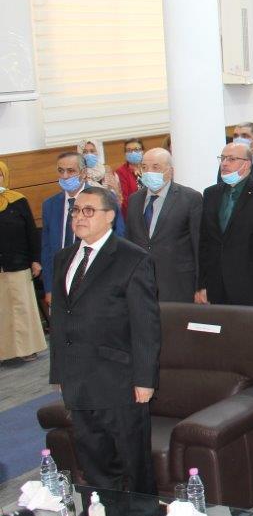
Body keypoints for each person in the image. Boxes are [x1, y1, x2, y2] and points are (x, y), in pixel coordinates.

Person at [49, 186, 160, 494]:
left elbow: (146, 325)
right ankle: (106, 514)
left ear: (110, 216)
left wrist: (145, 380)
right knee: (93, 458)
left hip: (118, 378)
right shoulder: (64, 258)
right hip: (78, 378)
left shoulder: (132, 258)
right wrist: (59, 372)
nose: (79, 217)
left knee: (132, 460)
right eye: (76, 211)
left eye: (89, 211)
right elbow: (59, 318)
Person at [198, 143, 253, 307]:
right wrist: (201, 285)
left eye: (231, 159)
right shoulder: (210, 194)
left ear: (247, 164)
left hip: (252, 287)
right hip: (216, 287)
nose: (224, 163)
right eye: (222, 158)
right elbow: (204, 243)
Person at [42, 152, 124, 301]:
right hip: (62, 281)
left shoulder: (104, 199)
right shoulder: (50, 205)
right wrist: (49, 287)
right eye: (61, 171)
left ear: (84, 172)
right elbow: (47, 249)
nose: (65, 176)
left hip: (98, 278)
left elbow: (119, 238)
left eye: (71, 171)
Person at [125, 148, 202, 303]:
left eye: (156, 167)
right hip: (142, 285)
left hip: (179, 284)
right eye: (144, 167)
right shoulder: (134, 200)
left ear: (170, 171)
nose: (149, 172)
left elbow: (199, 244)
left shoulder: (190, 198)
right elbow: (130, 241)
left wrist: (201, 286)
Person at [0, 159, 46, 362]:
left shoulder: (18, 200)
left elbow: (31, 232)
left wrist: (35, 259)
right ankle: (4, 353)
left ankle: (28, 349)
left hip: (19, 263)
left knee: (22, 308)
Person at [113, 136, 145, 217]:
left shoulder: (148, 168)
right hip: (133, 214)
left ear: (142, 151)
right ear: (125, 154)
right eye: (129, 150)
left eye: (136, 149)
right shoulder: (121, 172)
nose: (133, 153)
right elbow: (125, 200)